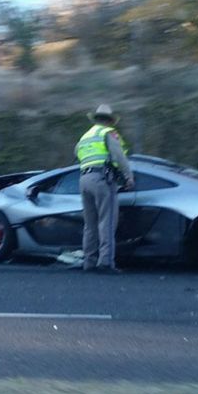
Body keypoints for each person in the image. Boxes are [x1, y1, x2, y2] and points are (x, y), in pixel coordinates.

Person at [74, 104, 134, 274]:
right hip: (102, 179)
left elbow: (76, 153)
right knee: (106, 222)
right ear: (109, 121)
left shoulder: (85, 136)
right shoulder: (108, 133)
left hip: (84, 179)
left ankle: (89, 262)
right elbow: (118, 156)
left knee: (90, 224)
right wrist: (128, 176)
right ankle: (106, 262)